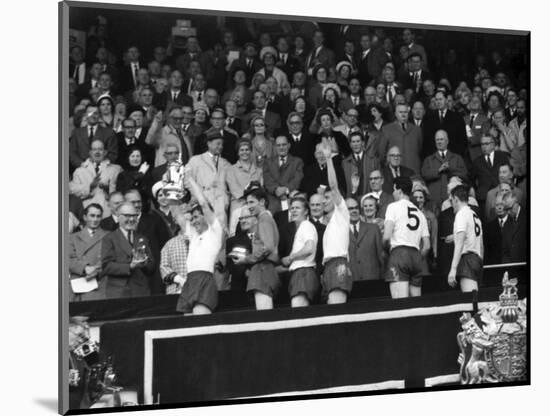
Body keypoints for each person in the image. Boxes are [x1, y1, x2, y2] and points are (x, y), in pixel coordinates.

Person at [174, 173, 224, 315]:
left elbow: (203, 203)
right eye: (192, 218)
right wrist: (173, 185)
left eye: (196, 217)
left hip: (205, 280)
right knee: (188, 328)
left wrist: (189, 179)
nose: (193, 221)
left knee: (199, 325)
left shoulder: (215, 231)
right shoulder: (194, 235)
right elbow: (177, 214)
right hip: (190, 280)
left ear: (206, 217)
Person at [233, 183, 280, 310]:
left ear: (262, 202)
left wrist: (247, 259)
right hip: (263, 269)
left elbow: (268, 247)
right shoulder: (264, 219)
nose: (249, 206)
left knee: (264, 317)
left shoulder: (264, 219)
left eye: (252, 202)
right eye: (248, 203)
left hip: (262, 270)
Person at [317, 139, 353, 304]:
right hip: (329, 266)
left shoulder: (342, 212)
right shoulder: (330, 222)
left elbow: (333, 185)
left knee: (337, 311)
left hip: (338, 263)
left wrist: (329, 158)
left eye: (327, 198)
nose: (324, 201)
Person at [383, 176, 430, 298]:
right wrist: (418, 258)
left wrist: (387, 251)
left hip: (399, 254)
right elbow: (427, 246)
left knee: (400, 306)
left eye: (393, 190)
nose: (393, 193)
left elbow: (386, 237)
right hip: (416, 256)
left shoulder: (393, 206)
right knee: (416, 305)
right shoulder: (420, 213)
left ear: (398, 190)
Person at [101, 202, 154, 298]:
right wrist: (130, 266)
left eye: (134, 216)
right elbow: (106, 266)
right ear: (118, 217)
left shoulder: (142, 238)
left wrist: (144, 263)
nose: (132, 219)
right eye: (127, 216)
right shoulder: (109, 238)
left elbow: (151, 267)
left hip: (140, 291)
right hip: (119, 292)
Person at [186, 133, 231, 228]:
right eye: (218, 144)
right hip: (202, 202)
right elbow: (187, 180)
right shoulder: (195, 160)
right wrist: (197, 195)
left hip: (220, 204)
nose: (220, 147)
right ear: (209, 144)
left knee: (220, 233)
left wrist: (226, 198)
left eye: (222, 144)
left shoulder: (225, 163)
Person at [281, 197, 319, 307]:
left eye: (297, 208)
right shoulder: (301, 228)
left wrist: (290, 257)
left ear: (306, 211)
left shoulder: (306, 225)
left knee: (298, 309)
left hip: (303, 273)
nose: (293, 210)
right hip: (299, 273)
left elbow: (309, 248)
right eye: (292, 208)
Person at [69, 139, 122, 218]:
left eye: (100, 149)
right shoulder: (79, 171)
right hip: (87, 213)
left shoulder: (116, 169)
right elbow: (71, 190)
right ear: (90, 152)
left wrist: (109, 190)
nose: (97, 152)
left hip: (109, 213)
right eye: (94, 149)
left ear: (105, 152)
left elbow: (122, 192)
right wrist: (89, 187)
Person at [69, 204, 109, 301]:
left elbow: (109, 258)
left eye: (98, 216)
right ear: (85, 217)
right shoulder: (72, 237)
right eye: (92, 215)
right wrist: (84, 267)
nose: (95, 219)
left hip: (98, 283)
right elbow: (67, 259)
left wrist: (96, 269)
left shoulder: (108, 236)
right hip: (76, 283)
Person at [447, 185, 484, 293]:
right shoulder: (474, 215)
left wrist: (453, 269)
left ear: (456, 199)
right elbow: (481, 245)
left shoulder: (461, 214)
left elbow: (460, 242)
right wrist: (480, 264)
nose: (451, 204)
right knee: (475, 299)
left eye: (451, 201)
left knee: (471, 301)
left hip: (467, 259)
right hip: (477, 259)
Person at [420, 129, 468, 209]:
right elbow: (424, 174)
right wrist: (438, 170)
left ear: (447, 141)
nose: (439, 142)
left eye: (441, 139)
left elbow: (464, 174)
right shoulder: (429, 159)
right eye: (437, 140)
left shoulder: (457, 158)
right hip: (434, 200)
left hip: (453, 200)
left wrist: (450, 169)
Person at [226, 139, 263, 235]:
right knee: (235, 235)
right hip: (238, 207)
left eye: (247, 149)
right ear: (238, 152)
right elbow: (234, 190)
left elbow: (260, 191)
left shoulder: (258, 170)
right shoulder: (231, 170)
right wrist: (250, 197)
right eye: (241, 150)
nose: (244, 152)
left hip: (254, 208)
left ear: (251, 151)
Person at [69, 104, 118, 171]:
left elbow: (113, 153)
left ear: (99, 115)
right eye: (90, 113)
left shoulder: (109, 132)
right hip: (81, 170)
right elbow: (72, 153)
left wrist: (101, 165)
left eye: (95, 113)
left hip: (103, 171)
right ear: (86, 115)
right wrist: (82, 164)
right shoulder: (76, 132)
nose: (92, 115)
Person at [263, 135, 304, 214]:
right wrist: (276, 190)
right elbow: (267, 181)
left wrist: (286, 190)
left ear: (289, 145)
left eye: (284, 145)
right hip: (273, 200)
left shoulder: (297, 162)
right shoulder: (268, 162)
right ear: (275, 147)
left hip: (291, 199)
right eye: (278, 145)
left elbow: (297, 179)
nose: (281, 147)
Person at [347, 198, 384, 281]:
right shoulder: (340, 231)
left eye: (356, 208)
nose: (354, 211)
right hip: (350, 281)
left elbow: (381, 257)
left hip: (372, 280)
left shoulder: (374, 228)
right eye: (350, 209)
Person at [378, 103, 423, 173]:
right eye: (400, 112)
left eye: (405, 112)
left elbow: (419, 150)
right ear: (395, 114)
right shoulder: (387, 129)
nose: (403, 115)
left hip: (413, 171)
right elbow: (381, 153)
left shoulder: (417, 130)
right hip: (394, 172)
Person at [471, 135, 510, 213]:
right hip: (483, 198)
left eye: (486, 144)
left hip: (501, 195)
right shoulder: (476, 161)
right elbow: (471, 179)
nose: (484, 146)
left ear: (493, 145)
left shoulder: (502, 156)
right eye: (482, 144)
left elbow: (508, 174)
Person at [342, 131, 380, 199]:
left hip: (370, 199)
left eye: (358, 141)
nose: (355, 144)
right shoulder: (345, 163)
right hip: (352, 199)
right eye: (353, 142)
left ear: (363, 143)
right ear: (350, 144)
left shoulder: (373, 160)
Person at [501, 191, 527, 263]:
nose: (508, 212)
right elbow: (505, 250)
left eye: (509, 208)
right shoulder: (507, 224)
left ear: (516, 204)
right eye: (506, 209)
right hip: (512, 268)